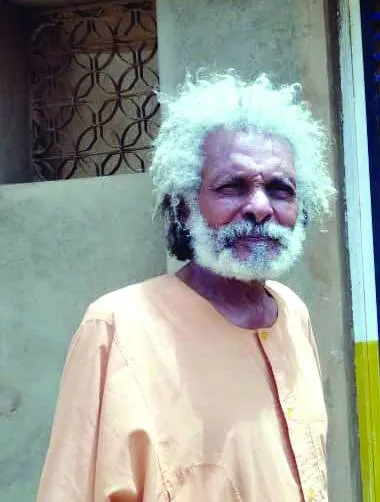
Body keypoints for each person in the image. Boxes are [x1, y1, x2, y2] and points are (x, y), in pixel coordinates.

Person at [37, 71, 335, 502]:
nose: (259, 207)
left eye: (279, 189)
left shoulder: (293, 314)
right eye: (231, 187)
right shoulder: (118, 326)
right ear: (184, 206)